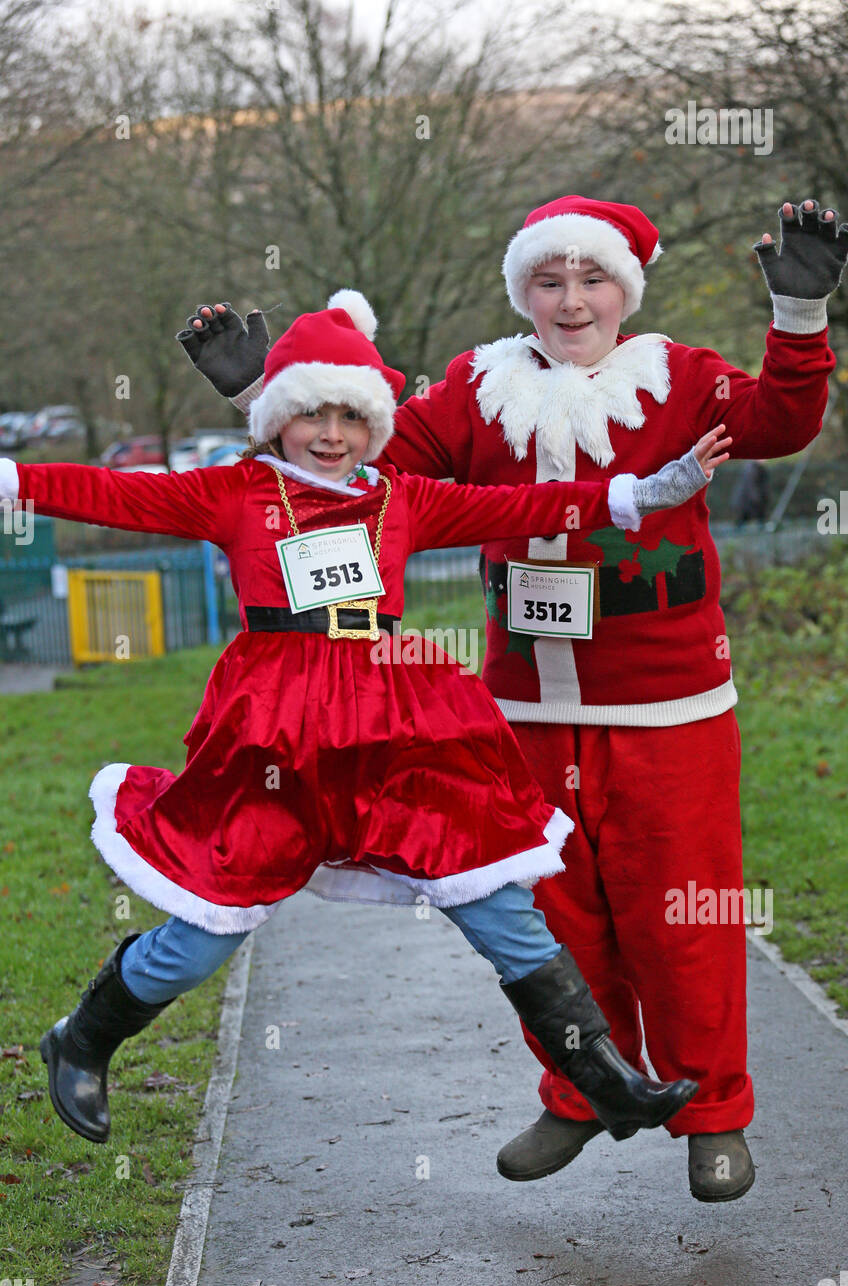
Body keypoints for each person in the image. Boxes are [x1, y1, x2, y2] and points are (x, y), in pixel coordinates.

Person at [180, 196, 846, 1202]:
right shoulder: (470, 390)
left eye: (590, 278)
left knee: (679, 918)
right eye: (548, 279)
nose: (569, 299)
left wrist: (798, 317)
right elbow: (357, 478)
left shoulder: (681, 377)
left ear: (622, 289)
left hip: (667, 702)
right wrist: (267, 404)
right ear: (521, 292)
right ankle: (576, 1093)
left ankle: (712, 1113)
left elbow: (780, 423)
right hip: (525, 707)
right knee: (554, 915)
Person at [0, 291, 727, 1149]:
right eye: (311, 413)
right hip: (275, 734)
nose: (332, 434)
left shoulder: (402, 498)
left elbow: (523, 507)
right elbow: (109, 494)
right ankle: (83, 1040)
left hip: (396, 725)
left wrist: (644, 491)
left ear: (375, 424)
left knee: (491, 893)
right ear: (277, 418)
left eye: (351, 415)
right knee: (206, 933)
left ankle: (601, 1078)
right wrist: (15, 480)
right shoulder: (234, 493)